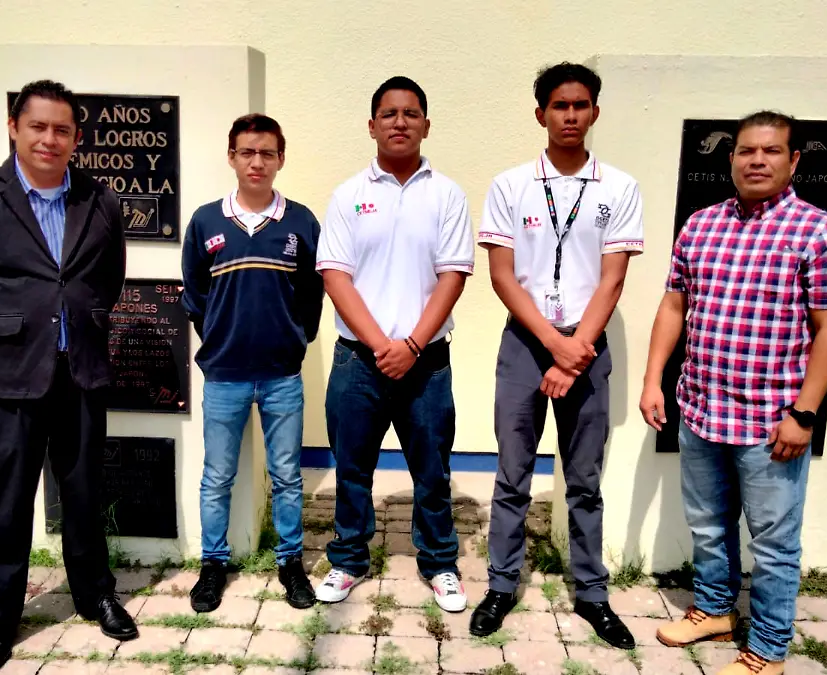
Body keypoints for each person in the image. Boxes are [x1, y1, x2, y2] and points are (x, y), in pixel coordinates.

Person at [640, 111, 827, 675]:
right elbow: (674, 305)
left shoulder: (820, 233)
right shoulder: (701, 225)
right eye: (746, 151)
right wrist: (653, 379)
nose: (757, 160)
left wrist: (804, 414)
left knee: (774, 544)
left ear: (794, 160)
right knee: (708, 525)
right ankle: (715, 610)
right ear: (732, 158)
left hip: (771, 424)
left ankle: (767, 649)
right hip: (701, 409)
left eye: (771, 150)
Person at [0, 79, 137, 673]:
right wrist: (2, 340)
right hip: (6, 382)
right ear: (14, 128)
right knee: (7, 503)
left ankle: (95, 595)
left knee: (84, 495)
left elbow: (107, 282)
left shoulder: (101, 201)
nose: (50, 138)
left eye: (62, 129)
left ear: (76, 137)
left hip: (80, 375)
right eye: (38, 126)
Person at [470, 62, 641, 649]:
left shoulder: (618, 187)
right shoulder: (510, 185)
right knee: (512, 475)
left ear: (595, 112)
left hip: (587, 344)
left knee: (584, 480)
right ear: (541, 113)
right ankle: (500, 586)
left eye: (580, 105)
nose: (570, 116)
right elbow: (502, 275)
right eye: (560, 106)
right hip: (527, 340)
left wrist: (574, 353)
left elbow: (612, 279)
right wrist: (553, 345)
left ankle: (592, 593)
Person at [313, 76, 474, 612]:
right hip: (359, 360)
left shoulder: (446, 194)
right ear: (372, 125)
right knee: (352, 468)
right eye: (389, 113)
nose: (399, 122)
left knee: (432, 470)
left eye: (410, 113)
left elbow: (453, 275)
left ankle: (440, 562)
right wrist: (384, 344)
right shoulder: (349, 195)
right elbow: (335, 275)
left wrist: (412, 345)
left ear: (426, 124)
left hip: (426, 362)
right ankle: (348, 559)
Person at [180, 113, 323, 613]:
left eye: (266, 153)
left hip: (282, 375)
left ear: (280, 158)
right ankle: (213, 564)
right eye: (247, 152)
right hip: (224, 376)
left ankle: (290, 562)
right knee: (217, 475)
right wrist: (220, 339)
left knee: (287, 476)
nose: (256, 162)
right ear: (232, 157)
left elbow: (313, 291)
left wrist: (296, 338)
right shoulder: (206, 221)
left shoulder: (300, 222)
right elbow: (194, 294)